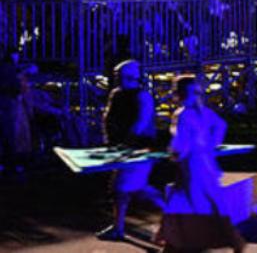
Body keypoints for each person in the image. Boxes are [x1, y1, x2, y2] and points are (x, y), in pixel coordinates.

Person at [156, 75, 245, 253]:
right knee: (203, 200)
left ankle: (187, 242)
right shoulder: (203, 111)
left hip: (190, 165)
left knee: (191, 202)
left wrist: (174, 154)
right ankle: (173, 242)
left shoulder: (182, 114)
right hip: (206, 163)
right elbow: (221, 125)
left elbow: (181, 143)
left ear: (178, 94)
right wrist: (210, 145)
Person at [97, 60, 165, 241]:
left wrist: (126, 143)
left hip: (139, 149)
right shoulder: (117, 94)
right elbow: (109, 118)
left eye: (119, 75)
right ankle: (118, 227)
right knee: (128, 188)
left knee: (124, 188)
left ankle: (173, 214)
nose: (116, 79)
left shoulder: (142, 96)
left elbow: (141, 123)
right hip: (123, 149)